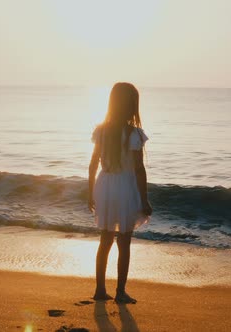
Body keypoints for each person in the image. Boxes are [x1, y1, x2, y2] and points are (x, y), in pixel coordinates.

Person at [88, 82, 152, 304]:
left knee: (105, 240)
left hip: (104, 185)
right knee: (124, 243)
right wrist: (144, 199)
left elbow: (92, 164)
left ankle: (99, 290)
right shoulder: (133, 133)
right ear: (131, 105)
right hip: (125, 187)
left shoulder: (102, 131)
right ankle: (120, 292)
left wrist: (90, 193)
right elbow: (139, 169)